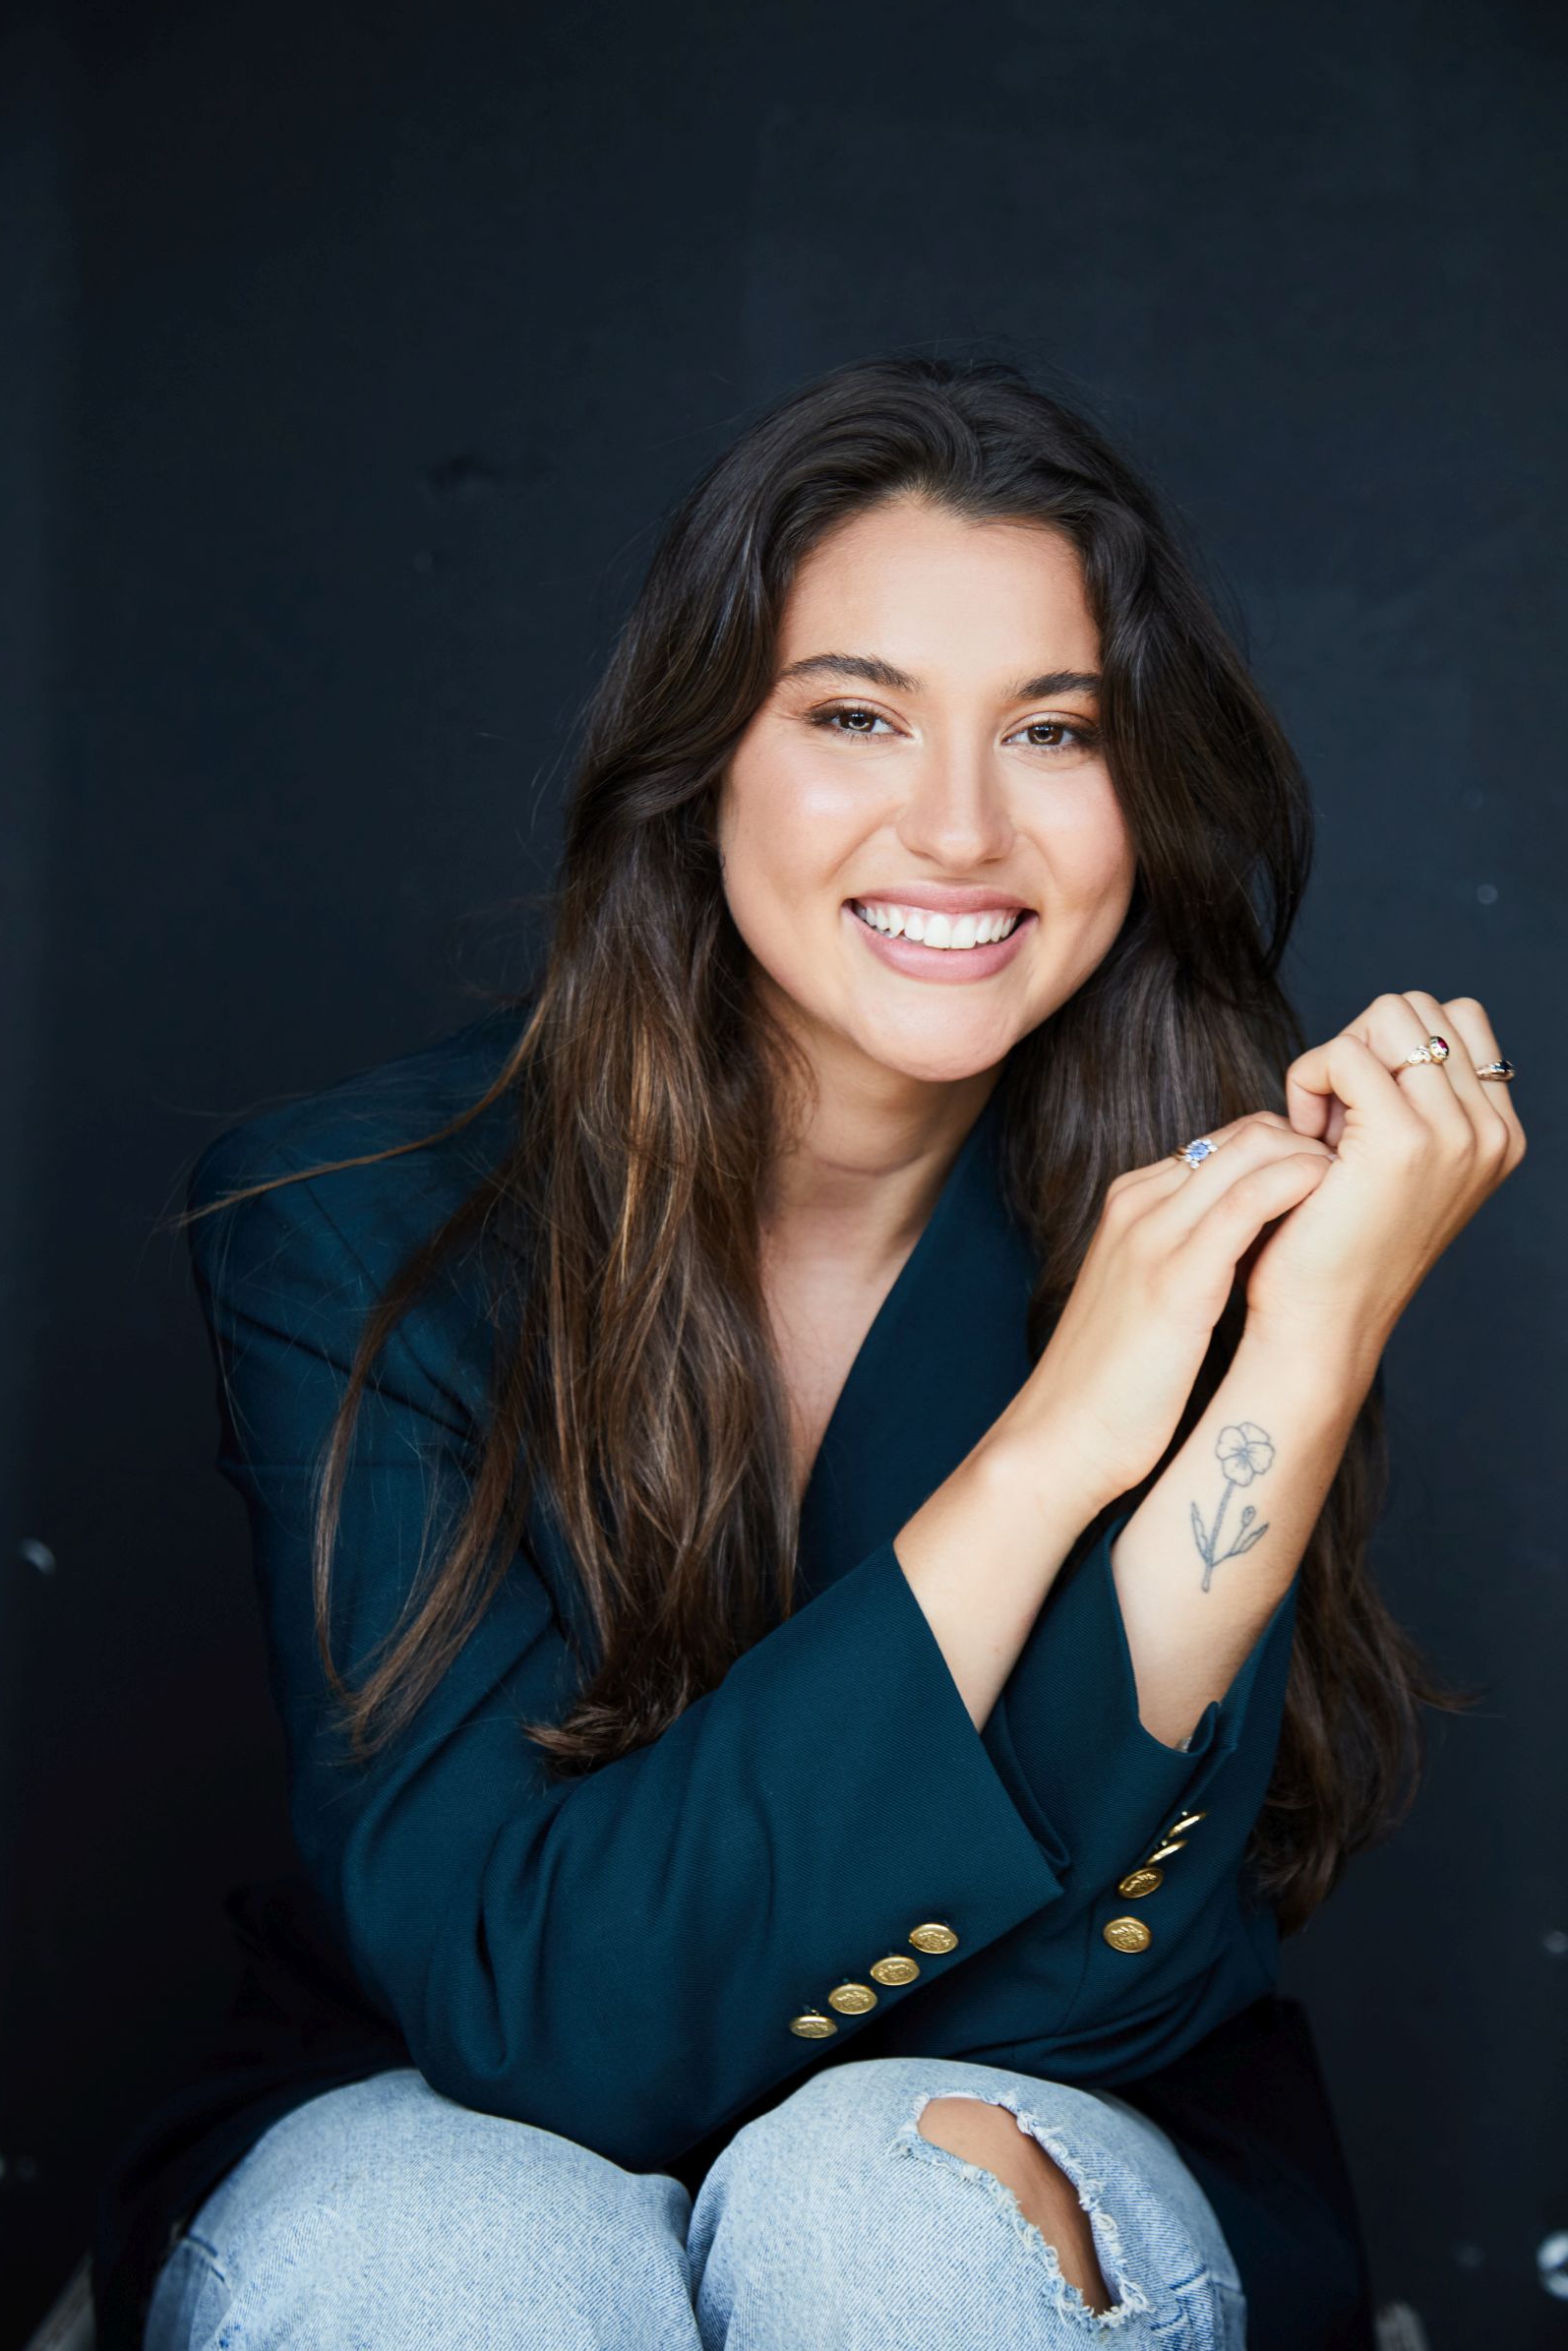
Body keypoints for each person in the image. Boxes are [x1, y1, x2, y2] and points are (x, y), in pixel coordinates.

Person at [90, 355, 1525, 2350]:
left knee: (879, 2206)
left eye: (1051, 729)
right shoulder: (357, 1228)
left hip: (1042, 2124)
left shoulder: (1210, 1213)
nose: (956, 827)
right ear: (703, 767)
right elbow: (530, 2006)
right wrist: (1052, 1449)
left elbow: (1104, 1992)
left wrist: (1305, 1344)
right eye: (854, 715)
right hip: (432, 2101)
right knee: (443, 2252)